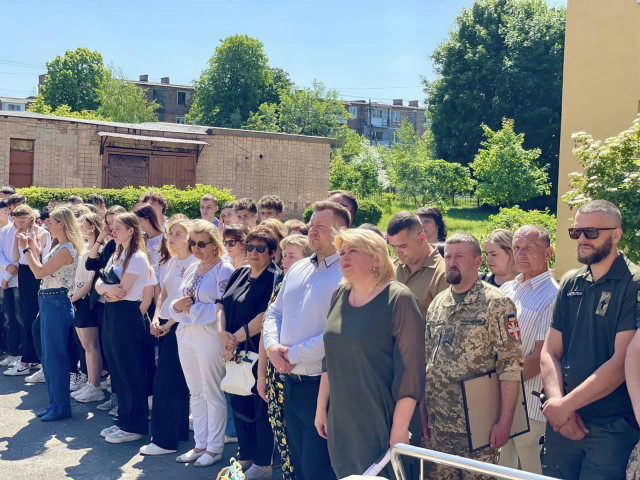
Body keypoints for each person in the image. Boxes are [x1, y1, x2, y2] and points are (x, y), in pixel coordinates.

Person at [540, 200, 640, 479]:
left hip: (611, 429)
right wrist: (558, 406)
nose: (582, 239)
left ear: (616, 235)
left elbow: (622, 363)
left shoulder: (633, 283)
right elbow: (550, 351)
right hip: (564, 426)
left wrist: (564, 407)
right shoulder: (571, 282)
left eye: (591, 232)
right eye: (576, 232)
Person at [316, 228, 424, 479]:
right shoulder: (339, 295)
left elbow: (412, 371)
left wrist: (400, 427)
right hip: (343, 419)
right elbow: (330, 359)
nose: (344, 256)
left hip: (383, 419)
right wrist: (321, 408)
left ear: (376, 258)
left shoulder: (399, 299)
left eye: (353, 250)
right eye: (342, 252)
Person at [263, 200, 351, 480]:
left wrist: (290, 355)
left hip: (322, 386)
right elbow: (274, 312)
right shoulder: (298, 268)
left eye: (321, 226)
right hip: (290, 382)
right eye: (311, 225)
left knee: (318, 468)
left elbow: (337, 334)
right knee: (299, 463)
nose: (312, 231)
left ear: (342, 231)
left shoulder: (347, 275)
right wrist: (272, 347)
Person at [424, 233, 524, 479]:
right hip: (439, 425)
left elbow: (510, 366)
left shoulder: (497, 304)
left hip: (478, 427)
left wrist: (505, 421)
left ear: (477, 262)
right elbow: (427, 361)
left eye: (459, 256)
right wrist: (422, 411)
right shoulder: (438, 303)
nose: (451, 262)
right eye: (448, 256)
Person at [219, 226, 281, 479]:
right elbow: (222, 304)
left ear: (272, 252)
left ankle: (263, 463)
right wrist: (222, 334)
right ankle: (245, 455)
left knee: (259, 407)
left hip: (257, 353)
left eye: (260, 248)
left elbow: (265, 316)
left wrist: (235, 338)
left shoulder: (275, 277)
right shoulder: (240, 272)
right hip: (233, 350)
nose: (254, 253)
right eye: (250, 247)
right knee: (238, 400)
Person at [172, 220, 234, 467]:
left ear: (214, 245)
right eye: (192, 243)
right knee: (196, 392)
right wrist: (177, 307)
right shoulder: (191, 267)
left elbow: (223, 307)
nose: (195, 248)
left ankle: (214, 447)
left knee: (212, 392)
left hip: (209, 336)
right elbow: (176, 302)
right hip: (186, 334)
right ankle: (200, 444)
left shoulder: (224, 269)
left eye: (201, 244)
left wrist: (191, 310)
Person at [498, 225, 558, 474]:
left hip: (529, 402)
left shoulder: (553, 296)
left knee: (529, 467)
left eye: (528, 248)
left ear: (548, 253)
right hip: (501, 396)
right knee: (502, 465)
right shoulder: (507, 289)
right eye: (516, 248)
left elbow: (541, 357)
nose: (520, 254)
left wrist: (502, 383)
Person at [96, 212, 155, 444]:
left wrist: (105, 289)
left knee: (131, 370)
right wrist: (104, 289)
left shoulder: (138, 257)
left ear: (131, 230)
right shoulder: (116, 253)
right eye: (112, 226)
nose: (113, 230)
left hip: (127, 314)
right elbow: (99, 282)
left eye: (118, 227)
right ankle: (124, 420)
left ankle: (135, 425)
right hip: (112, 313)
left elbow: (120, 292)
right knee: (117, 370)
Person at [257, 233, 312, 480]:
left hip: (297, 371)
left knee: (302, 446)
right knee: (283, 440)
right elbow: (266, 330)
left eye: (291, 256)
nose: (284, 261)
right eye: (284, 256)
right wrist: (261, 376)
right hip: (274, 373)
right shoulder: (281, 284)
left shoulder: (311, 287)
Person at [140, 218, 197, 456]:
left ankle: (165, 441)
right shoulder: (173, 261)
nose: (171, 238)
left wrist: (168, 324)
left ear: (189, 238)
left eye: (178, 234)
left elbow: (188, 300)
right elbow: (163, 293)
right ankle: (179, 432)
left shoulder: (195, 263)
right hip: (165, 324)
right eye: (170, 233)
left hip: (180, 326)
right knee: (173, 382)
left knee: (168, 383)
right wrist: (156, 318)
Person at [21, 206, 83, 421]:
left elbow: (39, 272)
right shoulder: (60, 246)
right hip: (50, 301)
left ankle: (60, 407)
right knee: (48, 356)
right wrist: (31, 248)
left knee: (55, 356)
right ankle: (54, 404)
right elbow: (43, 269)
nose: (47, 224)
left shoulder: (66, 249)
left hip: (56, 301)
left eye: (51, 222)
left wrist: (26, 250)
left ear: (61, 224)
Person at [4, 205, 50, 377]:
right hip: (23, 272)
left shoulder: (42, 232)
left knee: (33, 316)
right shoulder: (19, 233)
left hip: (35, 273)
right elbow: (16, 258)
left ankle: (30, 359)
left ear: (31, 218)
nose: (19, 225)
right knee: (25, 316)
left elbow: (40, 257)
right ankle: (29, 358)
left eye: (22, 221)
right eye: (16, 221)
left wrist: (32, 239)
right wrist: (18, 241)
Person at [69, 212, 105, 403]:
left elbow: (92, 281)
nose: (80, 228)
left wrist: (74, 298)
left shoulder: (99, 249)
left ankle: (95, 385)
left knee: (91, 346)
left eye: (83, 224)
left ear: (92, 227)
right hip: (78, 297)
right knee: (85, 346)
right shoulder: (85, 248)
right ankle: (90, 383)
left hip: (87, 299)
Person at [386, 211, 447, 318]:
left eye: (403, 246)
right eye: (393, 246)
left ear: (421, 238)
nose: (397, 252)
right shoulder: (391, 267)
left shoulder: (442, 274)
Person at [0, 199, 21, 371]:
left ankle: (22, 355)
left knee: (21, 318)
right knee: (9, 318)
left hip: (19, 280)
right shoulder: (5, 230)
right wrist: (6, 269)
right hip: (5, 280)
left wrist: (8, 275)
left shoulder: (26, 231)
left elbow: (20, 258)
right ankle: (13, 352)